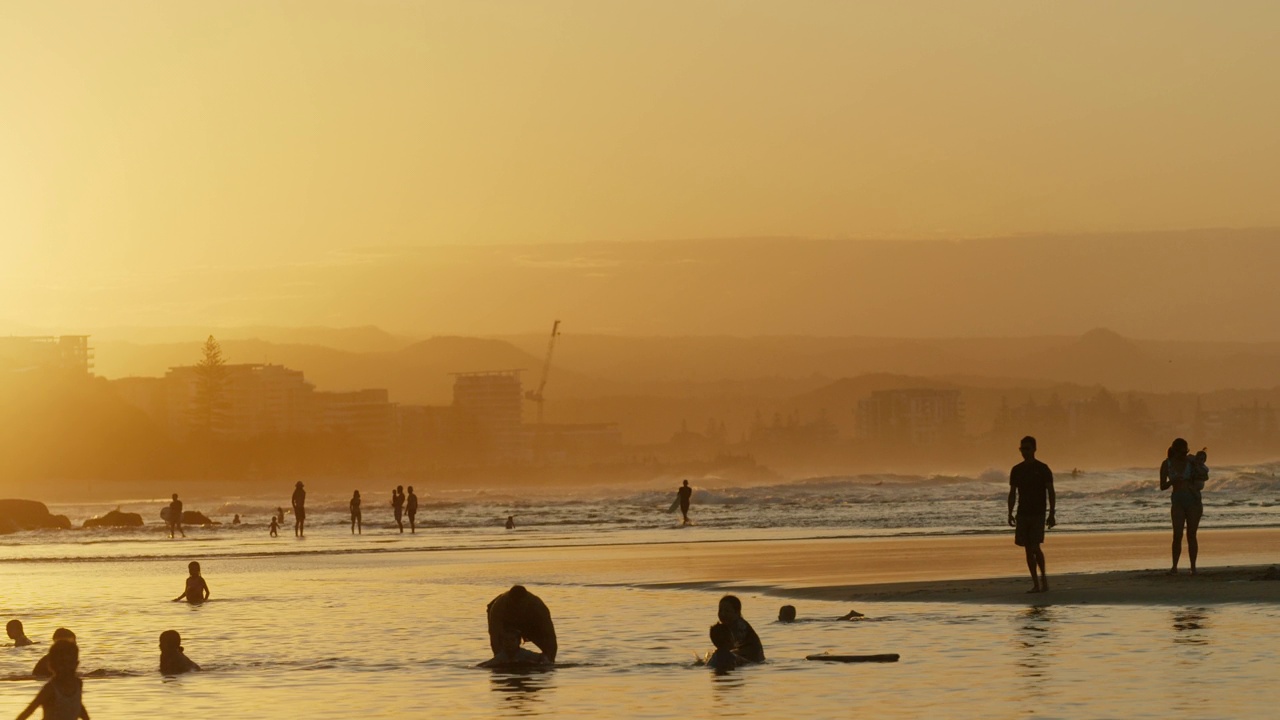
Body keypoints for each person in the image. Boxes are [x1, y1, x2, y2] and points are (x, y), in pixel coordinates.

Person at [1008, 435, 1057, 593]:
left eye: (1027, 449)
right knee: (1028, 549)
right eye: (1022, 449)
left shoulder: (1043, 468)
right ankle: (1036, 583)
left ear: (1034, 449)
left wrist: (1051, 513)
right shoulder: (1016, 470)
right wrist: (1009, 512)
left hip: (1038, 514)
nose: (1024, 452)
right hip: (1022, 513)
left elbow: (1051, 491)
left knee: (1035, 547)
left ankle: (1043, 579)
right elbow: (1012, 493)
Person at [1160, 438, 1205, 575]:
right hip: (1178, 500)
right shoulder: (1166, 464)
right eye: (1181, 453)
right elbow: (1162, 486)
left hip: (1193, 500)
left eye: (1185, 452)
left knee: (1191, 534)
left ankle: (1193, 567)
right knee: (1177, 535)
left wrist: (1197, 464)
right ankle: (1174, 567)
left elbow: (1203, 476)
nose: (1183, 455)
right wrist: (1172, 481)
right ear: (1175, 451)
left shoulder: (1191, 462)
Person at [483, 585, 557, 666]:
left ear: (526, 601)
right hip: (506, 621)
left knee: (549, 651)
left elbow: (550, 636)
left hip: (530, 622)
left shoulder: (538, 607)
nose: (517, 607)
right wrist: (499, 660)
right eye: (514, 605)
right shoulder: (498, 606)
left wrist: (550, 662)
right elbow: (494, 635)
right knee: (503, 651)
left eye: (520, 605)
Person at [16, 639, 88, 720]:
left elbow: (78, 706)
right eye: (61, 664)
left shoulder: (78, 683)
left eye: (70, 663)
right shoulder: (50, 689)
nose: (66, 668)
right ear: (51, 666)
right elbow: (29, 711)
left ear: (76, 664)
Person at [717, 595, 764, 663]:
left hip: (752, 658)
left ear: (737, 613)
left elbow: (730, 646)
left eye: (727, 611)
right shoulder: (728, 626)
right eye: (720, 610)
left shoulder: (740, 626)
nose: (723, 614)